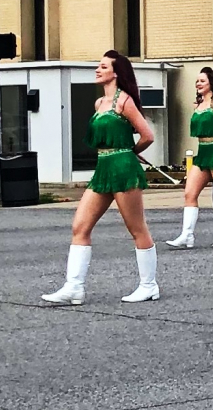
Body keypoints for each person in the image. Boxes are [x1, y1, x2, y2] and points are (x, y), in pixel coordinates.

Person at [42, 51, 159, 304]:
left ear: (115, 73)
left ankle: (149, 285)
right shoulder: (99, 104)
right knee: (80, 226)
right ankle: (74, 287)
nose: (97, 70)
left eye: (103, 66)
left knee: (136, 228)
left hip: (123, 166)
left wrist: (129, 154)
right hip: (103, 166)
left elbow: (147, 135)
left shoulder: (124, 101)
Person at [168, 67, 213, 249]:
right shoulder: (199, 104)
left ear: (212, 83)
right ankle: (187, 234)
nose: (198, 84)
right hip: (203, 151)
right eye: (197, 81)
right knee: (189, 193)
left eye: (202, 81)